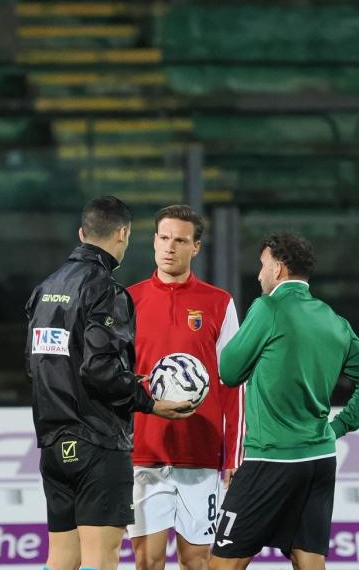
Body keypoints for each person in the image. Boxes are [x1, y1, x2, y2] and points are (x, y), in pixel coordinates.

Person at [26, 195, 196, 570]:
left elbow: (36, 363)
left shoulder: (46, 288)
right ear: (123, 234)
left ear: (82, 233)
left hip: (53, 443)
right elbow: (98, 370)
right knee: (100, 559)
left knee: (62, 559)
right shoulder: (104, 289)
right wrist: (149, 401)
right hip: (97, 443)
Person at [211, 233, 359, 570]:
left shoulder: (267, 308)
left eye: (263, 266)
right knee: (307, 559)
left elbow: (229, 371)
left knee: (222, 564)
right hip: (320, 459)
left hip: (271, 458)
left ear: (278, 269)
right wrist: (337, 427)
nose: (259, 275)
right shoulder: (333, 319)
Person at [127, 205, 243, 570]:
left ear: (196, 247)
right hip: (143, 454)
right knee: (148, 561)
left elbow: (234, 383)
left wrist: (234, 455)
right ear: (154, 241)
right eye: (164, 238)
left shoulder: (219, 303)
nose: (169, 247)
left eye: (180, 240)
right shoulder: (127, 300)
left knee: (197, 562)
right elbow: (114, 378)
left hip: (201, 455)